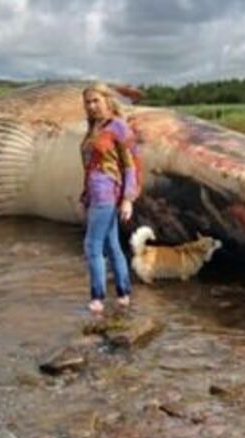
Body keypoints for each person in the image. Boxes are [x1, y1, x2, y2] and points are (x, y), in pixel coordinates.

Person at [79, 84, 140, 317]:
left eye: (96, 101)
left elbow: (130, 165)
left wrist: (128, 199)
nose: (91, 106)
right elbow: (89, 168)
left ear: (107, 100)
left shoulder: (118, 127)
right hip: (95, 194)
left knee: (92, 246)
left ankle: (97, 298)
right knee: (111, 245)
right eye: (87, 102)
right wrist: (84, 195)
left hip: (108, 194)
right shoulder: (93, 128)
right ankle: (123, 294)